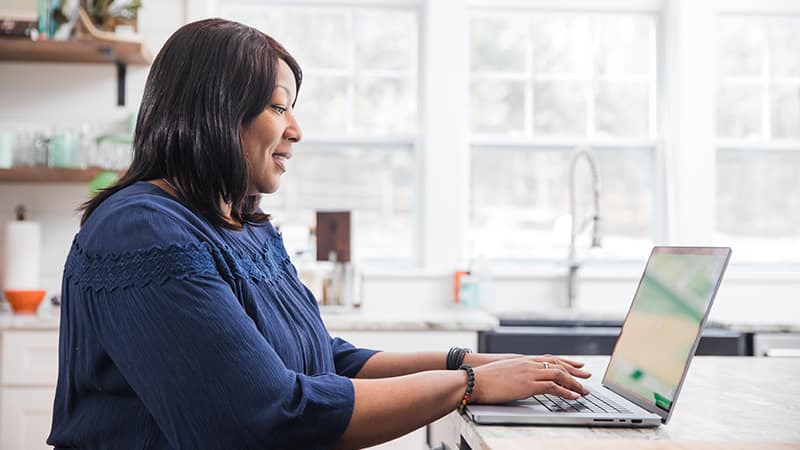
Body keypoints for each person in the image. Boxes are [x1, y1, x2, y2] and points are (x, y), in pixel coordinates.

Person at [47, 18, 591, 450]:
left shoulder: (244, 227)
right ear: (216, 110)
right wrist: (467, 388)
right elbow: (267, 416)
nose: (296, 130)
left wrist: (468, 363)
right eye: (278, 106)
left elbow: (325, 361)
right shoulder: (141, 230)